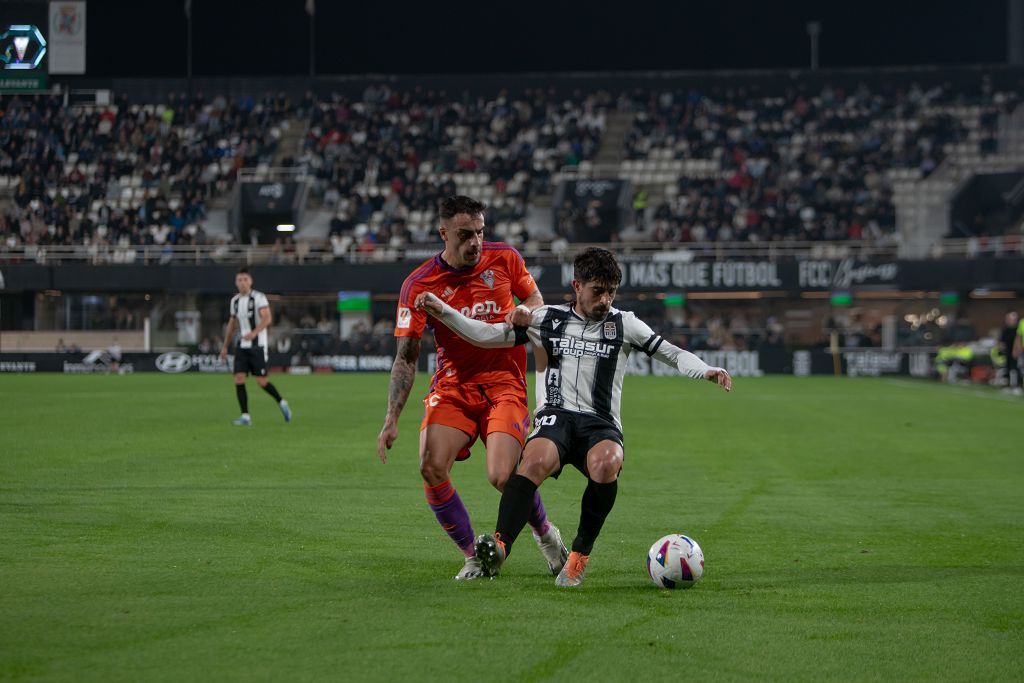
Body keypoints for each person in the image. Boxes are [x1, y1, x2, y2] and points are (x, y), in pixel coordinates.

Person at [415, 247, 732, 587]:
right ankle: (501, 545)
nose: (606, 299)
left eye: (611, 291)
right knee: (533, 461)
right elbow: (485, 335)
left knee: (607, 464)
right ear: (577, 286)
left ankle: (578, 556)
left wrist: (705, 370)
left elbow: (670, 352)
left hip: (601, 423)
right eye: (598, 291)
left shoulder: (625, 324)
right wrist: (443, 311)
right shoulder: (546, 319)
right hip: (556, 417)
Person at [377, 195, 567, 581]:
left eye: (480, 233)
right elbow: (407, 356)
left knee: (502, 476)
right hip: (454, 386)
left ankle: (547, 535)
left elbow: (534, 297)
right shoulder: (419, 285)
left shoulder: (505, 258)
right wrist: (391, 417)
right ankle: (474, 557)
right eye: (465, 235)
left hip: (503, 385)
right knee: (430, 466)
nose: (475, 243)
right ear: (443, 233)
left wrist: (524, 309)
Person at [219, 267, 292, 426]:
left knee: (262, 381)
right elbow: (231, 325)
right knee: (238, 378)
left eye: (245, 279)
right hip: (242, 346)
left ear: (250, 281)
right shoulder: (235, 301)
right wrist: (225, 347)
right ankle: (245, 416)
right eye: (239, 280)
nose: (242, 283)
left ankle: (281, 402)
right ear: (236, 282)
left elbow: (267, 318)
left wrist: (254, 333)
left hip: (258, 346)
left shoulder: (259, 298)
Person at [1000, 311, 1022, 395]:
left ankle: (1017, 386)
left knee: (1016, 369)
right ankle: (1008, 385)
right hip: (1007, 351)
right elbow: (1002, 340)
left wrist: (1016, 350)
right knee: (1008, 368)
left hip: (1016, 351)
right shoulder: (1005, 329)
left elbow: (1018, 340)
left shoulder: (1018, 329)